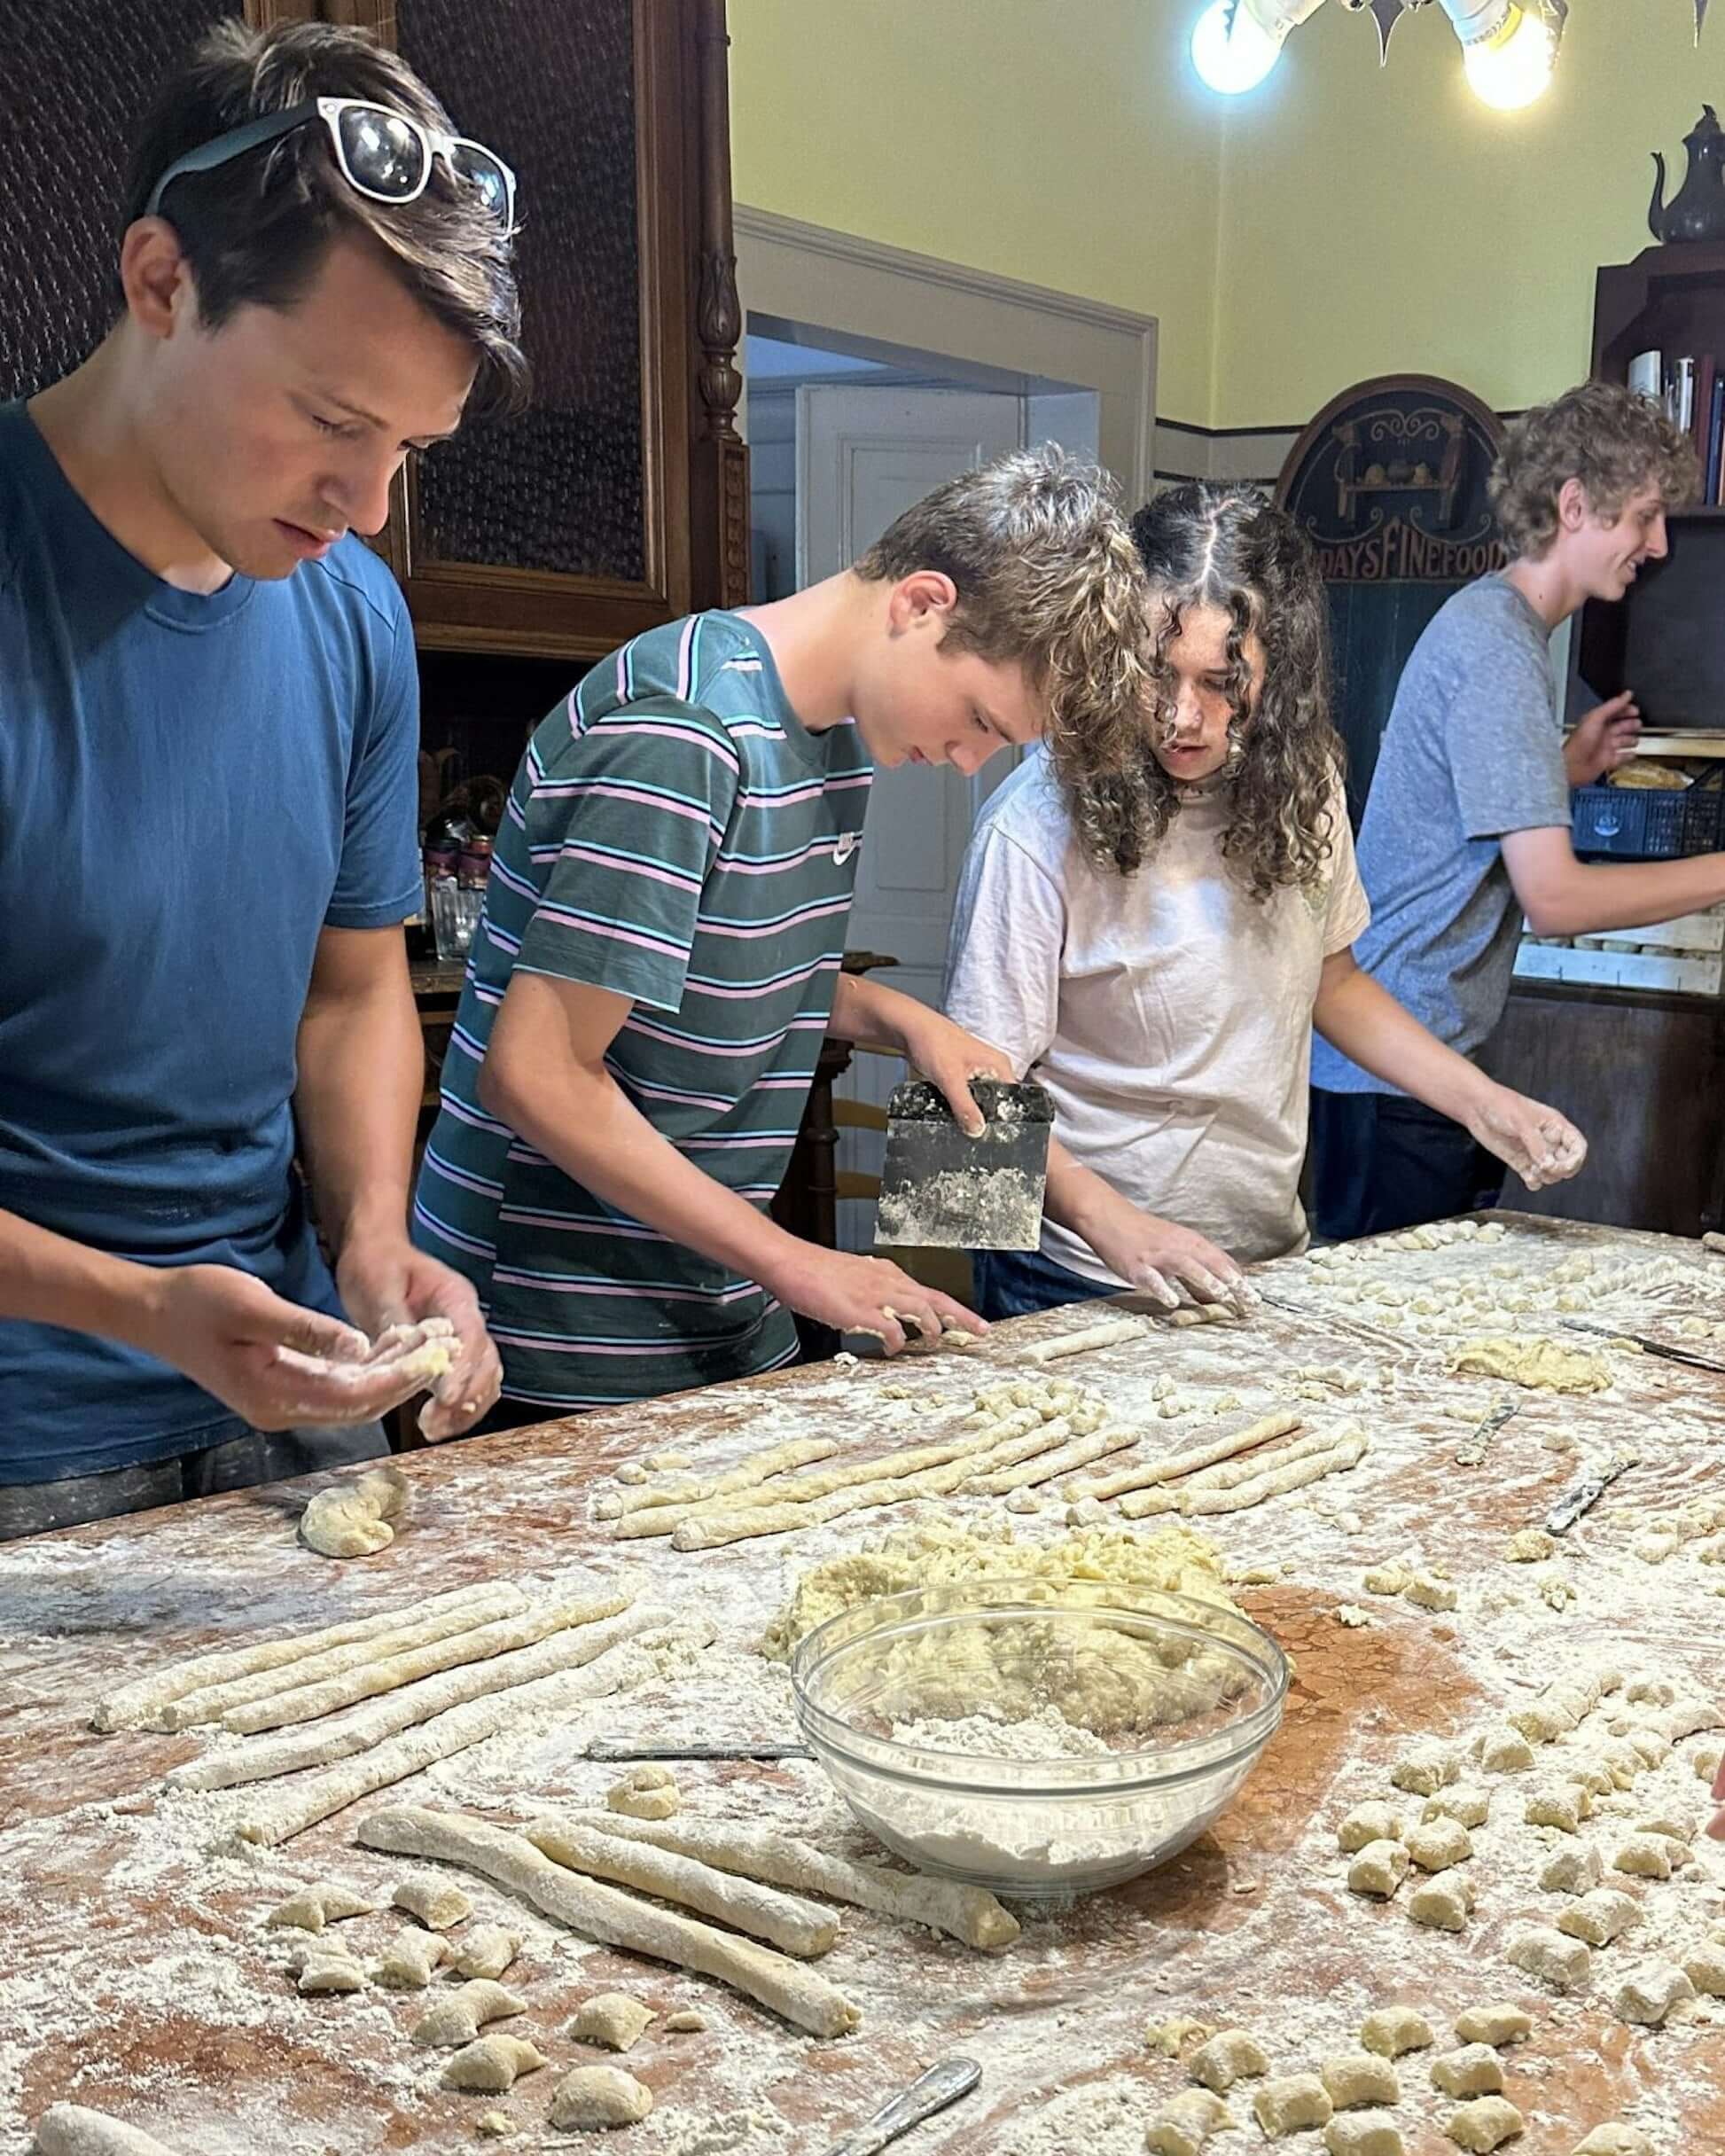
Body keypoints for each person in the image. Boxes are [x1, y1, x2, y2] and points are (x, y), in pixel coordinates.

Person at [0, 20, 523, 1539]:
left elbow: (348, 995)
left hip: (288, 1390)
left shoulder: (351, 614)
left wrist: (374, 1240)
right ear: (162, 282)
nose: (366, 504)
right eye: (333, 421)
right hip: (29, 1438)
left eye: (409, 447)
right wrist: (142, 1307)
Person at [412, 448, 1153, 1418]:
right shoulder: (684, 730)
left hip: (715, 1302)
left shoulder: (840, 738)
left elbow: (729, 964)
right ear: (921, 604)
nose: (968, 759)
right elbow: (536, 1073)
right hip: (559, 1326)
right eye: (979, 718)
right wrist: (799, 1264)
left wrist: (900, 1021)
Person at [941, 481, 1587, 1320]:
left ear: (1278, 673)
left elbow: (1334, 982)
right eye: (1156, 674)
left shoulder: (1303, 787)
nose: (1183, 717)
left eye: (1223, 683)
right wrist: (1114, 1228)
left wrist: (1484, 1106)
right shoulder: (1032, 826)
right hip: (1073, 1278)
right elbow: (966, 1099)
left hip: (1260, 1259)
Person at [1310, 379, 1725, 1239]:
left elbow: (1459, 815)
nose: (1656, 544)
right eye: (1644, 516)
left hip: (1405, 1063)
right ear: (1574, 506)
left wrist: (1562, 769)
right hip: (1393, 1073)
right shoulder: (1497, 648)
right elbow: (1556, 898)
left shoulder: (1495, 628)